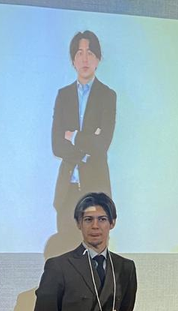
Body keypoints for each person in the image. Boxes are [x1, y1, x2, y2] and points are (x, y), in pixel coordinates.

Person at [52, 31, 116, 241]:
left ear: (98, 59)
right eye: (79, 53)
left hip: (96, 192)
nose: (85, 59)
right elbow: (56, 145)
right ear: (73, 60)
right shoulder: (63, 95)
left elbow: (102, 145)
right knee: (65, 253)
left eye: (90, 53)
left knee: (95, 254)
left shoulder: (107, 96)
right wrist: (85, 152)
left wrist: (74, 136)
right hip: (67, 192)